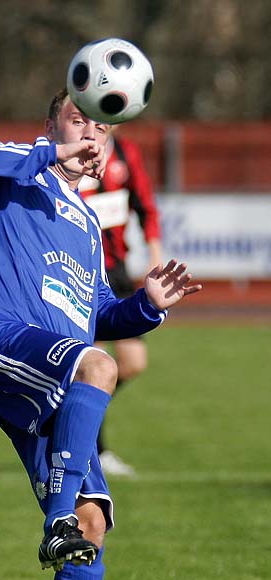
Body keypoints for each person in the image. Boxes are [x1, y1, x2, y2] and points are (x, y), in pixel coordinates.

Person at [0, 88, 201, 580]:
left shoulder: (90, 228)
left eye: (101, 125)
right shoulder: (16, 178)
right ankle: (56, 518)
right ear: (53, 126)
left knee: (93, 523)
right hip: (4, 344)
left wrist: (145, 307)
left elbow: (97, 315)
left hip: (56, 382)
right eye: (77, 118)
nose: (90, 132)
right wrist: (52, 151)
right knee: (99, 367)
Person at [79, 128, 162, 476]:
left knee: (132, 362)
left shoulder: (126, 154)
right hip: (80, 270)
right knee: (94, 364)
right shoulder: (69, 155)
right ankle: (93, 451)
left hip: (117, 271)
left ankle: (76, 414)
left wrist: (154, 252)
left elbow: (145, 206)